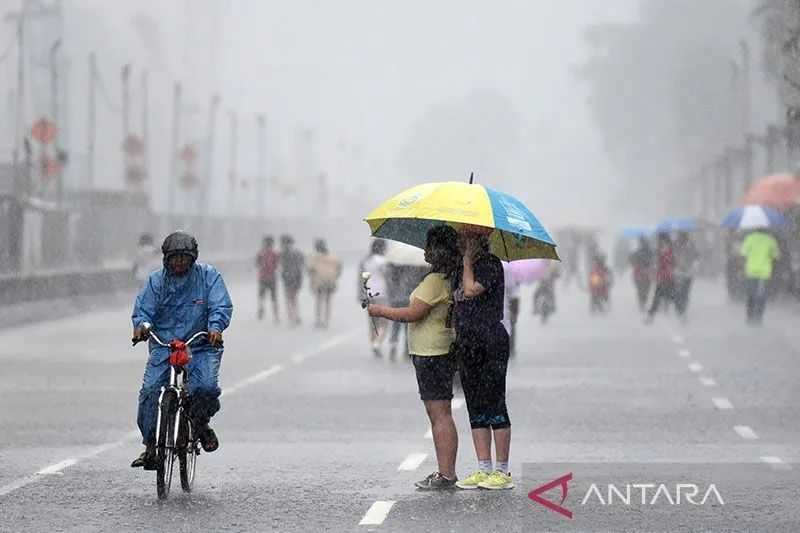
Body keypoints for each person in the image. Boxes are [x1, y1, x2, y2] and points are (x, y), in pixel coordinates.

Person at [367, 226, 461, 490]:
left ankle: (446, 474)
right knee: (439, 413)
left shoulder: (435, 281)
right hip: (438, 349)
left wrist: (380, 310)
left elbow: (413, 313)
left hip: (432, 351)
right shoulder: (448, 277)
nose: (425, 251)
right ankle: (446, 471)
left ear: (438, 250)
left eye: (429, 246)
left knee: (439, 414)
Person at [130, 231, 233, 469]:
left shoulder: (208, 277)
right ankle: (151, 446)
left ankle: (199, 423)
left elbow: (221, 304)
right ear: (166, 258)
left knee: (204, 388)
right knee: (149, 392)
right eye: (174, 258)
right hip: (164, 345)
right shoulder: (156, 282)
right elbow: (143, 310)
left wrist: (215, 327)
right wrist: (142, 327)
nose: (179, 262)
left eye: (184, 258)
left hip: (201, 345)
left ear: (193, 258)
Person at [452, 227, 514, 491]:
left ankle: (502, 471)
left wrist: (466, 263)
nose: (461, 244)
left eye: (466, 240)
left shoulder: (490, 265)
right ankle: (483, 468)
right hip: (468, 341)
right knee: (475, 404)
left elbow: (469, 291)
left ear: (479, 241)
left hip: (491, 340)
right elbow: (455, 297)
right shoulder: (461, 266)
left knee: (494, 402)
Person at [740, 229, 780, 325]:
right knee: (761, 295)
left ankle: (749, 316)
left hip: (750, 271)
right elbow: (776, 256)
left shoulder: (749, 238)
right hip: (764, 272)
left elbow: (743, 254)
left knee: (751, 294)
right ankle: (758, 316)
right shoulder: (771, 240)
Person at [359, 240, 389, 355]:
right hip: (382, 294)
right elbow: (388, 276)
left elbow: (363, 278)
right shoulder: (383, 261)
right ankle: (377, 343)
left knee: (373, 321)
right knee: (384, 322)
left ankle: (372, 343)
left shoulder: (367, 261)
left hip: (369, 293)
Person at [308, 238, 342, 329]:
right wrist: (335, 277)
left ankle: (319, 320)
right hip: (330, 281)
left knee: (319, 301)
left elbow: (310, 271)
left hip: (319, 282)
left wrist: (311, 283)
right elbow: (339, 268)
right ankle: (326, 321)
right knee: (327, 301)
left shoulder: (314, 258)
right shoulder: (333, 257)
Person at [645, 233, 675, 324]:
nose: (659, 242)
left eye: (660, 240)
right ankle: (651, 315)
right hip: (663, 278)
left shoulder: (668, 251)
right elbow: (656, 263)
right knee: (659, 297)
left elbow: (670, 263)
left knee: (666, 296)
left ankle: (652, 315)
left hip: (667, 277)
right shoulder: (660, 251)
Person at [280, 235, 305, 326]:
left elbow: (281, 266)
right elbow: (302, 264)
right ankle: (295, 316)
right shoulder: (298, 253)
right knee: (293, 298)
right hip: (295, 277)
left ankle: (292, 317)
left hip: (289, 278)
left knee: (290, 298)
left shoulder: (283, 254)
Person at [673, 231, 699, 319]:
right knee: (680, 292)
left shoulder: (690, 246)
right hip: (679, 273)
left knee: (684, 292)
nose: (682, 239)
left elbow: (696, 257)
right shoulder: (676, 245)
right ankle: (680, 307)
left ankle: (682, 307)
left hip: (686, 273)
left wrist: (692, 266)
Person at [255, 235, 280, 323]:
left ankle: (262, 309)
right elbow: (277, 265)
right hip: (271, 278)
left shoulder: (261, 253)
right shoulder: (274, 254)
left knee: (262, 296)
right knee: (273, 297)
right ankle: (275, 314)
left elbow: (257, 264)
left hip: (263, 277)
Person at [629, 236, 654, 312]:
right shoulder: (650, 252)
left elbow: (632, 261)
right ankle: (643, 302)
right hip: (646, 274)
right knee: (645, 289)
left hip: (640, 275)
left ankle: (642, 302)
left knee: (641, 290)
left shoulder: (638, 252)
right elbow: (653, 261)